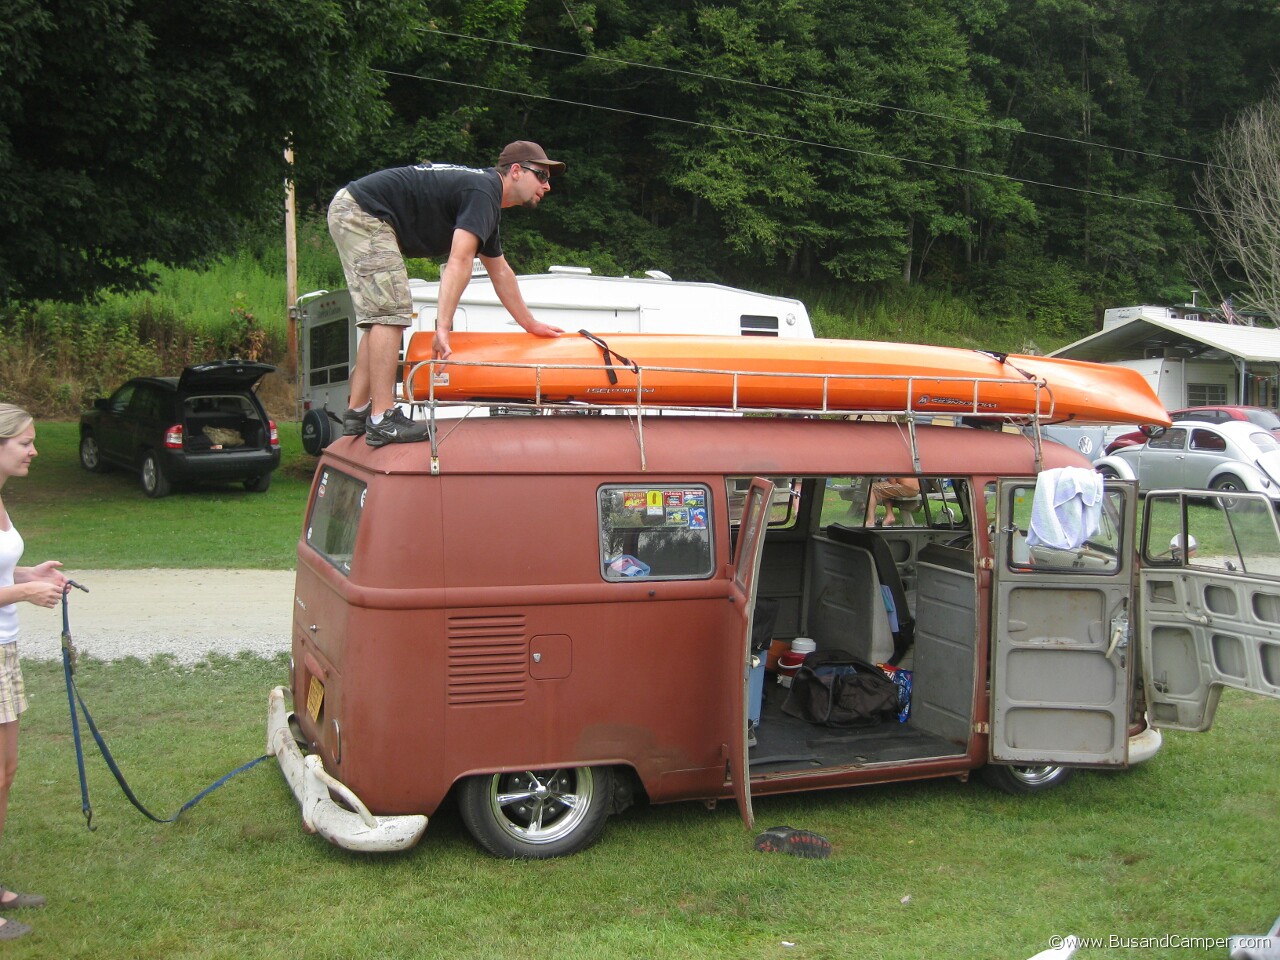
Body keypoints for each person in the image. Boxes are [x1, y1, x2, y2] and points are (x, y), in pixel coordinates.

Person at [328, 141, 567, 446]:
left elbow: (500, 272)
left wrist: (529, 324)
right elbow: (460, 259)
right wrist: (443, 325)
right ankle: (382, 418)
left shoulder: (484, 199)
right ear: (516, 171)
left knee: (381, 315)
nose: (547, 186)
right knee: (392, 310)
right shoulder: (483, 191)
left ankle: (358, 412)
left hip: (357, 208)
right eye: (542, 176)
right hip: (363, 211)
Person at [0, 404, 68, 940]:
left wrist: (26, 571)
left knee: (5, 773)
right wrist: (24, 592)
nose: (35, 450)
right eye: (25, 442)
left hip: (5, 649)